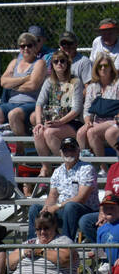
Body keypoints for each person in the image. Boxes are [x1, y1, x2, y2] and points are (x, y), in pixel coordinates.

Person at [26, 136, 95, 243]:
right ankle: (32, 244)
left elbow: (81, 198)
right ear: (61, 152)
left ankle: (65, 245)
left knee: (70, 206)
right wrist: (46, 208)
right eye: (65, 149)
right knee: (35, 209)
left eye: (72, 148)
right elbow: (53, 195)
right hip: (63, 210)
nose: (69, 152)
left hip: (84, 211)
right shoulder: (58, 171)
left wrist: (56, 206)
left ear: (78, 150)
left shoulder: (86, 168)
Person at [31, 51, 84, 189]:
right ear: (52, 65)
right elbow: (39, 103)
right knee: (38, 133)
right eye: (56, 61)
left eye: (62, 61)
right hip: (53, 122)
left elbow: (76, 109)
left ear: (67, 63)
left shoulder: (75, 81)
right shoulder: (49, 81)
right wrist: (38, 123)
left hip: (72, 122)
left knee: (49, 133)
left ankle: (65, 167)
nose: (59, 64)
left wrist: (60, 122)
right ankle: (46, 168)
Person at [0, 32, 47, 136]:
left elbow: (33, 85)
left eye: (29, 45)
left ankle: (21, 148)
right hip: (11, 103)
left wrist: (12, 85)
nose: (26, 48)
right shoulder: (14, 62)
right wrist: (25, 78)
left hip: (31, 103)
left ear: (35, 47)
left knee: (13, 114)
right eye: (22, 46)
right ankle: (2, 146)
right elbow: (3, 82)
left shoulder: (39, 63)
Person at [78, 54, 119, 158]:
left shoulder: (117, 84)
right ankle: (88, 163)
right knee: (80, 133)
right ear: (96, 69)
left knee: (91, 132)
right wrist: (87, 122)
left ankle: (102, 166)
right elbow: (87, 109)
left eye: (106, 65)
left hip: (113, 120)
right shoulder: (92, 87)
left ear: (111, 67)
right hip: (97, 120)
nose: (103, 68)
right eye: (100, 66)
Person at [79, 162, 119, 246]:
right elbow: (108, 194)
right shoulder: (114, 167)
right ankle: (102, 249)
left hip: (116, 210)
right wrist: (102, 213)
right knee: (86, 221)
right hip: (113, 208)